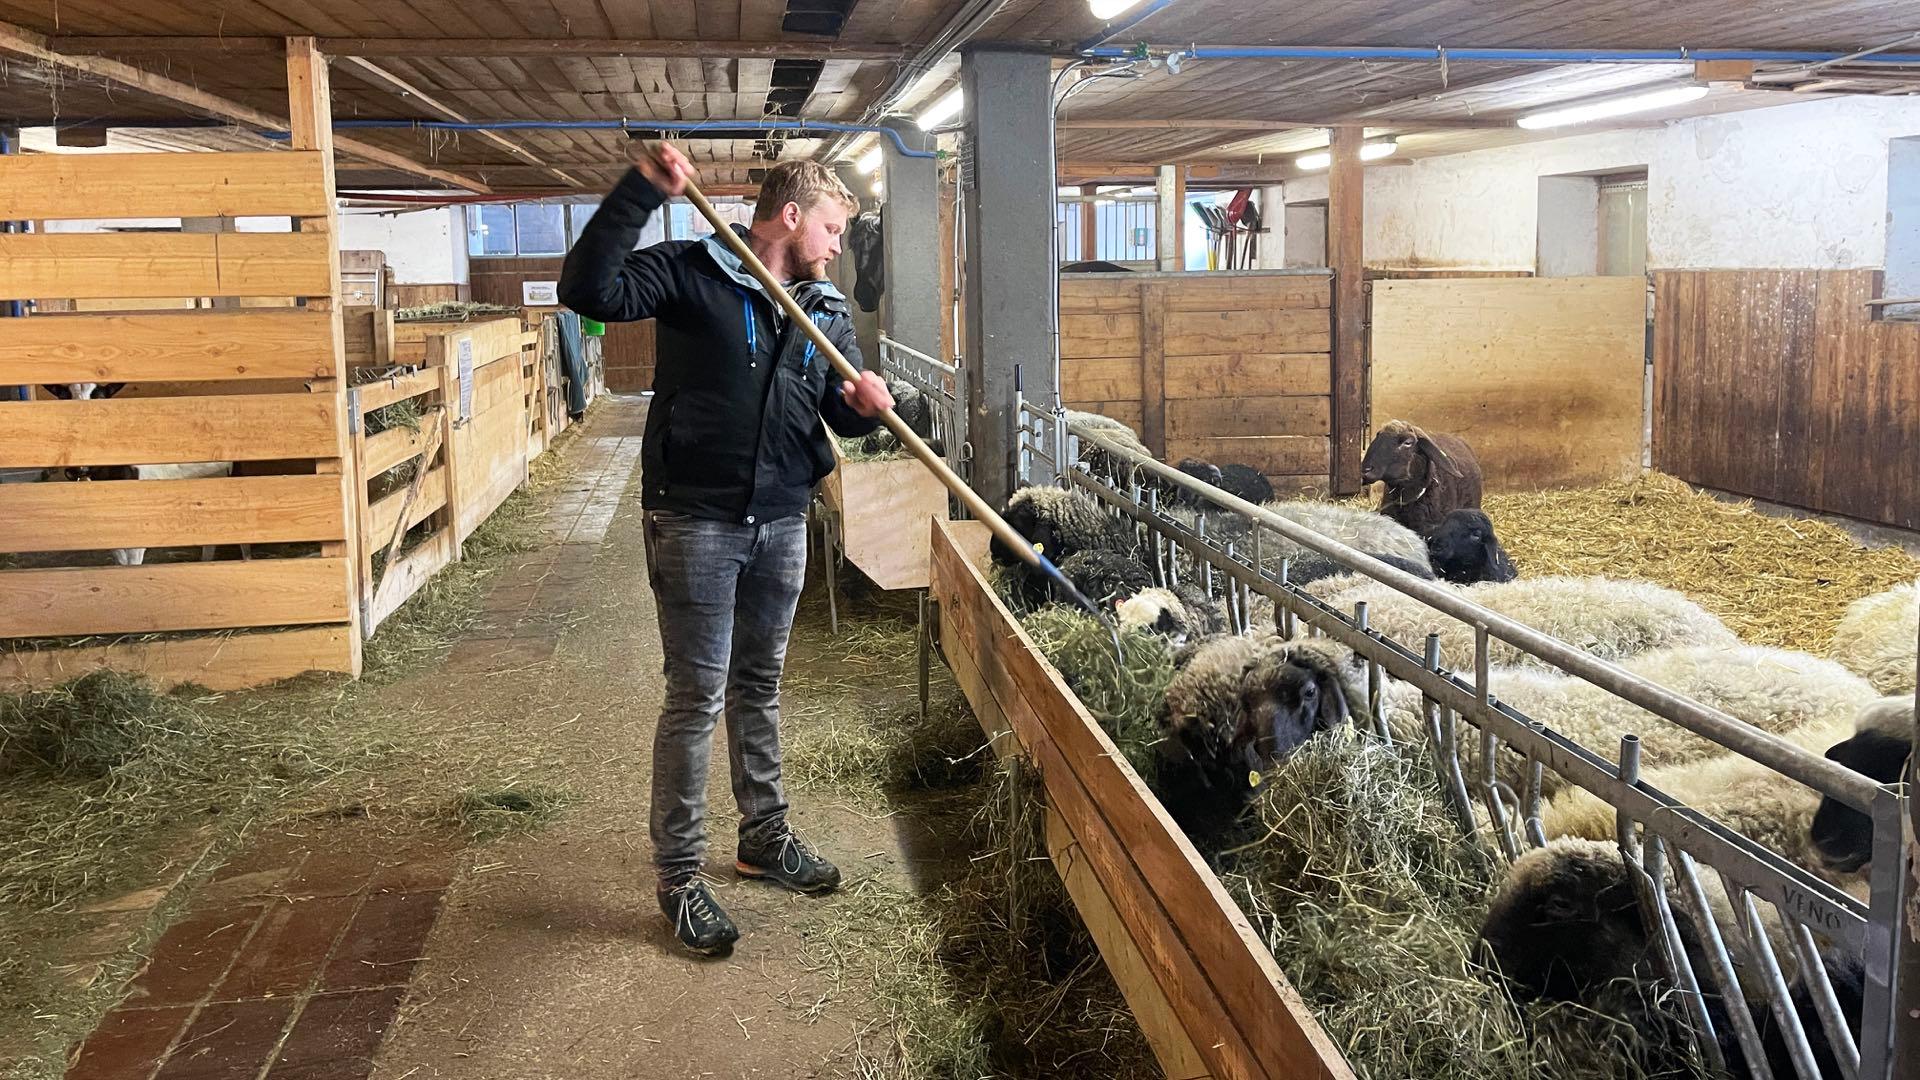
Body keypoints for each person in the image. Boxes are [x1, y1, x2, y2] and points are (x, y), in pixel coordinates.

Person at [559, 142, 894, 956]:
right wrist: (640, 193)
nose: (838, 244)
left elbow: (833, 415)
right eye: (830, 228)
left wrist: (868, 405)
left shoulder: (825, 307)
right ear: (790, 215)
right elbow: (586, 290)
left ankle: (763, 835)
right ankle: (678, 876)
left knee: (760, 683)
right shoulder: (691, 269)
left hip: (783, 516)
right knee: (695, 697)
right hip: (696, 517)